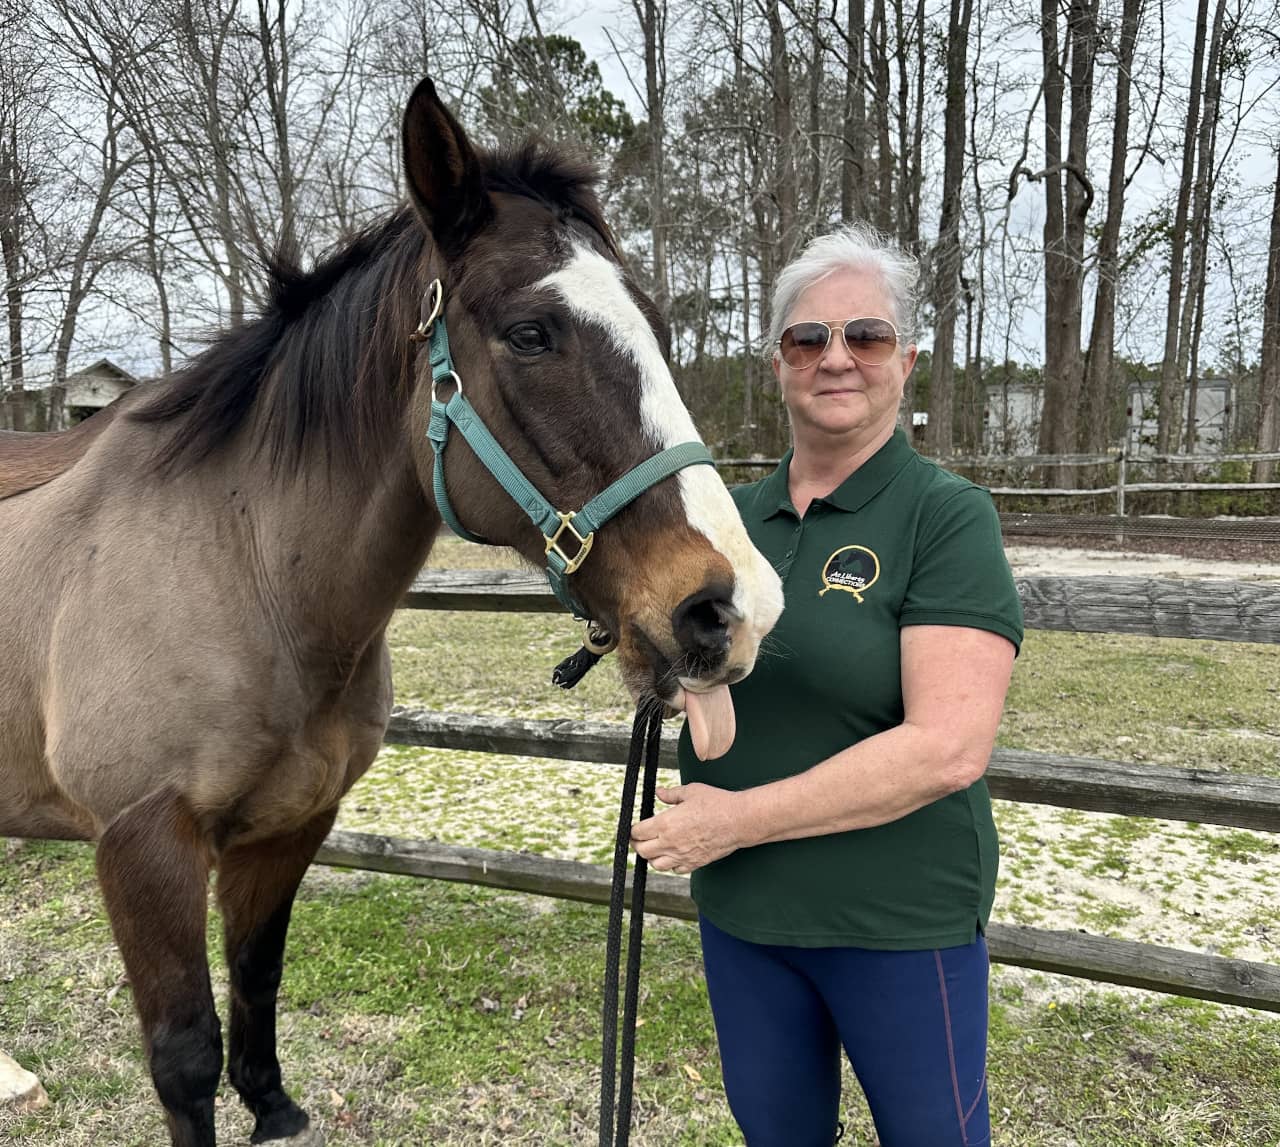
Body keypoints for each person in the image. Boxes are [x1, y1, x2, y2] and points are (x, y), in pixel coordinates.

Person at [630, 222, 1023, 1147]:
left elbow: (946, 748)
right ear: (778, 363)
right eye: (809, 339)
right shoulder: (725, 520)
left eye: (866, 336)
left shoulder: (944, 516)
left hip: (896, 919)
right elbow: (714, 701)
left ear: (907, 358)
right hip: (747, 915)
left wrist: (733, 820)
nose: (836, 357)